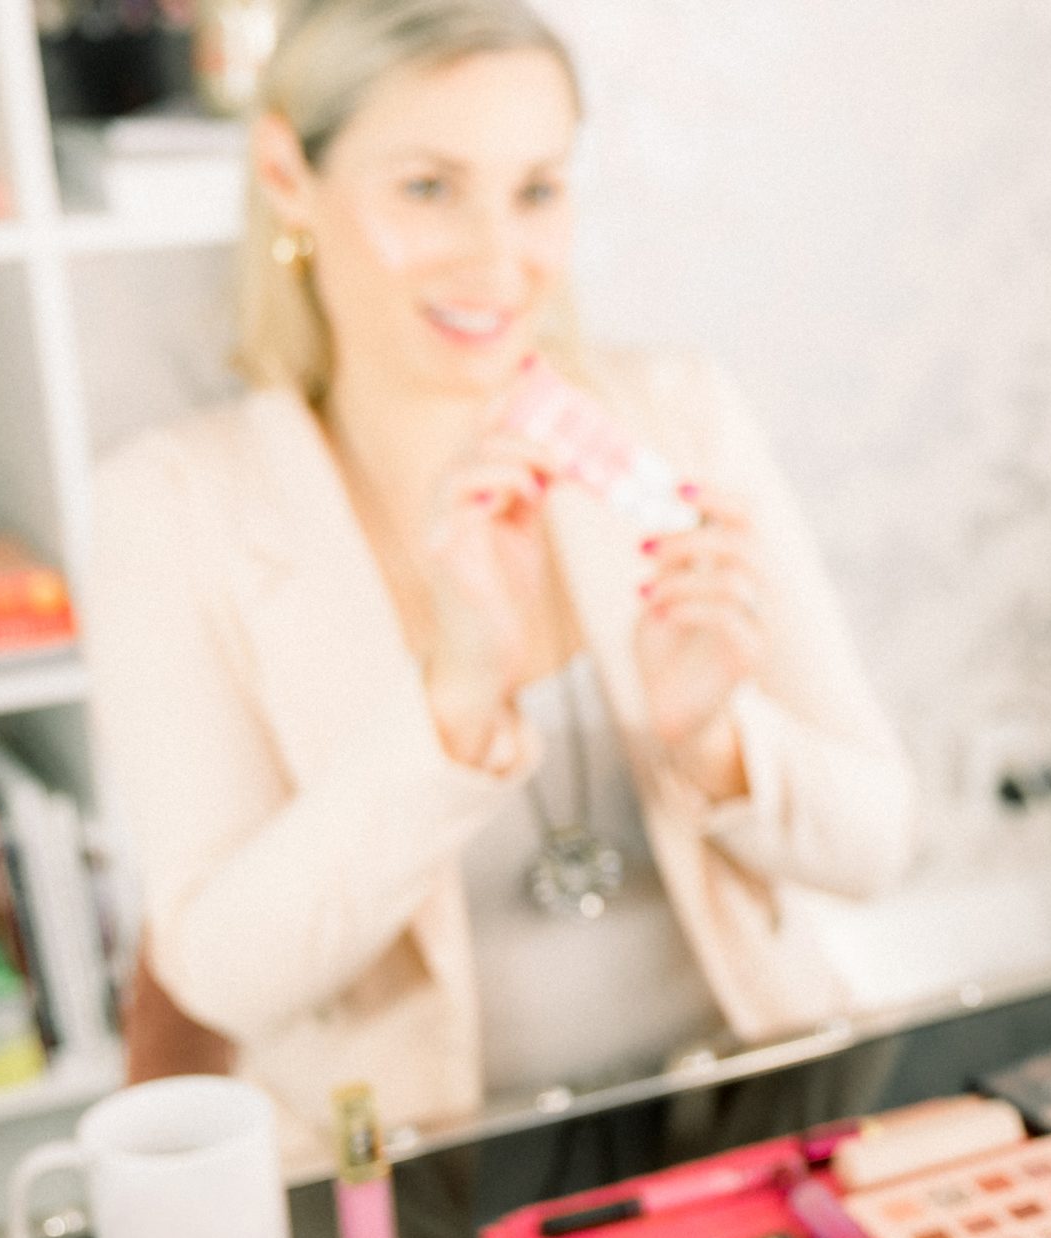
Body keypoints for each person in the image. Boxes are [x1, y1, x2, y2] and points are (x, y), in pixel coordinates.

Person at [86, 0, 914, 1167]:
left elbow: (877, 846)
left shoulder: (677, 414)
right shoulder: (167, 509)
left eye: (535, 191)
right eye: (427, 189)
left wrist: (715, 737)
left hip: (757, 1140)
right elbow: (216, 975)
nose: (497, 259)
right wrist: (454, 707)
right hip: (420, 1206)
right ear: (287, 173)